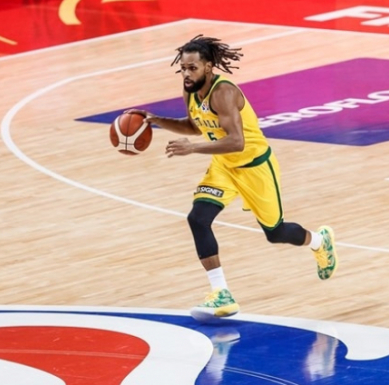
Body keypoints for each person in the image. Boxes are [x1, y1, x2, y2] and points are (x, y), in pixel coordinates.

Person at [127, 35, 338, 322]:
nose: (187, 74)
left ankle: (319, 241)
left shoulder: (223, 92)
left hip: (254, 166)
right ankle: (221, 293)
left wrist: (192, 149)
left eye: (192, 68)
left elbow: (237, 141)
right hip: (224, 166)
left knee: (275, 233)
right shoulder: (191, 91)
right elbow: (194, 126)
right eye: (183, 68)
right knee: (197, 219)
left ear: (208, 67)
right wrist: (156, 120)